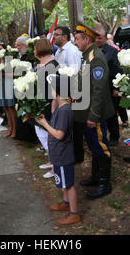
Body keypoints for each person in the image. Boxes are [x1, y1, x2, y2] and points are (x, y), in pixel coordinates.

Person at [74, 23, 115, 199]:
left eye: (77, 39)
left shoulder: (95, 58)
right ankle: (96, 176)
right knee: (93, 146)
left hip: (94, 113)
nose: (75, 42)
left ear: (86, 39)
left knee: (101, 147)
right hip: (85, 110)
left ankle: (104, 183)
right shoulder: (86, 56)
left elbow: (99, 90)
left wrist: (94, 116)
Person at [35, 74, 81, 225]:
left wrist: (45, 124)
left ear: (59, 92)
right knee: (63, 183)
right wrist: (46, 120)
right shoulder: (61, 108)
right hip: (58, 154)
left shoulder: (65, 111)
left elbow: (60, 134)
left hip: (63, 155)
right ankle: (65, 203)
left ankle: (74, 213)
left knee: (68, 184)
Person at [53, 26, 83, 164]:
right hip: (63, 92)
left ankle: (77, 157)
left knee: (74, 127)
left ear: (65, 36)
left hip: (71, 94)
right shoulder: (59, 51)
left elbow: (75, 73)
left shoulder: (71, 51)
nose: (54, 37)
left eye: (57, 34)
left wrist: (72, 93)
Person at [33, 38, 59, 179]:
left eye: (35, 48)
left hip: (50, 105)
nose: (33, 51)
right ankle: (51, 161)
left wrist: (54, 109)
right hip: (43, 103)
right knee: (43, 134)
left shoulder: (53, 66)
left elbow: (55, 90)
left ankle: (55, 168)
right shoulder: (43, 64)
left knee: (51, 136)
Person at [95, 26, 121, 147]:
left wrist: (117, 88)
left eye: (99, 38)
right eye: (95, 37)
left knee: (111, 114)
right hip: (97, 90)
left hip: (110, 89)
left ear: (106, 38)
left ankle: (114, 137)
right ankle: (101, 136)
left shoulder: (112, 51)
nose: (97, 40)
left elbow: (118, 70)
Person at [0, 43, 18, 138]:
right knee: (6, 108)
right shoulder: (0, 61)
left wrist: (3, 75)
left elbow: (15, 74)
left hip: (9, 84)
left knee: (11, 108)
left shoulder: (9, 60)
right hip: (2, 85)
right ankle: (10, 128)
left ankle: (15, 131)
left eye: (0, 49)